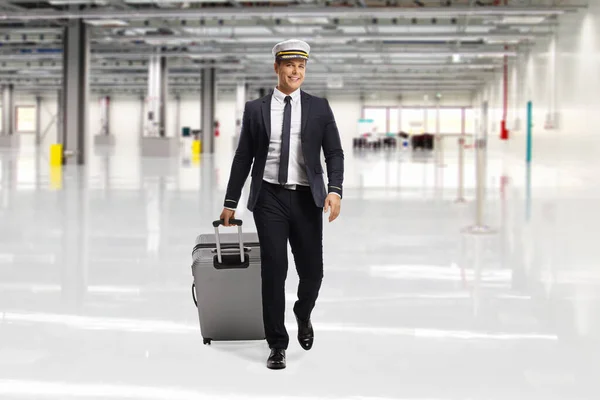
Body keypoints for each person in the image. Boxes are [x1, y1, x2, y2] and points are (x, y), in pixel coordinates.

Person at [219, 39, 344, 370]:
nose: (296, 71)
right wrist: (231, 201)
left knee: (312, 272)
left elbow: (334, 152)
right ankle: (277, 343)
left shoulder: (319, 107)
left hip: (306, 198)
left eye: (301, 66)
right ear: (276, 67)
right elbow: (244, 155)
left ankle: (303, 312)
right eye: (289, 65)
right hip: (269, 197)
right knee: (274, 272)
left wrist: (335, 190)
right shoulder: (256, 108)